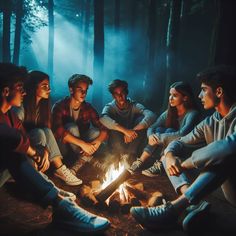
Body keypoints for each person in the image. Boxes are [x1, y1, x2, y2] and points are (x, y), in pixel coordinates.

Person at [0, 63, 110, 233]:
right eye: (20, 88)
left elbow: (24, 136)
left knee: (23, 149)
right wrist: (33, 151)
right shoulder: (49, 107)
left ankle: (56, 198)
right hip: (39, 155)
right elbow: (12, 137)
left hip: (16, 165)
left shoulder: (11, 115)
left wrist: (40, 149)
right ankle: (60, 203)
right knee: (15, 154)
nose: (24, 92)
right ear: (6, 91)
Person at [130, 65, 236, 231]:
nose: (200, 95)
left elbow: (227, 146)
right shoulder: (210, 121)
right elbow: (182, 140)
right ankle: (195, 204)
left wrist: (186, 164)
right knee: (167, 157)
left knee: (225, 157)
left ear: (219, 92)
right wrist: (170, 153)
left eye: (203, 90)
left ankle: (172, 209)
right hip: (216, 188)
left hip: (232, 188)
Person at [14, 71, 82, 186]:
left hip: (39, 151)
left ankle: (60, 169)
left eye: (49, 86)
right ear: (33, 87)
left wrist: (46, 149)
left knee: (45, 130)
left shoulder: (43, 107)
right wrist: (42, 150)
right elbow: (16, 135)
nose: (49, 89)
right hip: (24, 152)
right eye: (44, 86)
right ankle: (42, 173)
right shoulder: (21, 107)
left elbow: (49, 132)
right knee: (39, 132)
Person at [129, 81, 200, 177]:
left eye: (175, 95)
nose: (170, 98)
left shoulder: (192, 114)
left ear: (185, 97)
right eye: (170, 95)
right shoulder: (170, 111)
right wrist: (150, 135)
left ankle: (161, 163)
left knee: (168, 131)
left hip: (186, 147)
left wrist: (158, 137)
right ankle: (140, 161)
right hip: (171, 146)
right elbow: (152, 126)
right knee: (158, 129)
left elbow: (182, 134)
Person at [52, 74, 107, 175]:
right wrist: (84, 145)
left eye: (86, 90)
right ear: (71, 90)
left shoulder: (87, 107)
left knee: (96, 132)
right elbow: (58, 131)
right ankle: (90, 160)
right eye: (80, 89)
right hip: (63, 148)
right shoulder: (59, 106)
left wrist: (98, 142)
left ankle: (81, 160)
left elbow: (104, 129)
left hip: (80, 147)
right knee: (71, 127)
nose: (84, 93)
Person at [100, 79, 156, 164]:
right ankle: (117, 156)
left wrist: (133, 131)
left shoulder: (134, 105)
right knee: (110, 123)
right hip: (116, 143)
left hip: (132, 142)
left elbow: (151, 115)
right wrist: (125, 131)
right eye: (116, 94)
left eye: (122, 92)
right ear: (113, 96)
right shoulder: (110, 107)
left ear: (126, 92)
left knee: (140, 120)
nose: (120, 96)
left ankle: (129, 156)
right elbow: (103, 118)